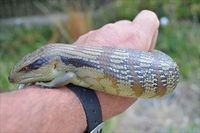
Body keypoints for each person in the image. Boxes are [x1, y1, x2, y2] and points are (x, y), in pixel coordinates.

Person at [0, 10, 159, 133]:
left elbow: (69, 75)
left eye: (28, 70)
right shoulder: (63, 63)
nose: (20, 76)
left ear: (54, 64)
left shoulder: (64, 65)